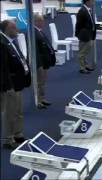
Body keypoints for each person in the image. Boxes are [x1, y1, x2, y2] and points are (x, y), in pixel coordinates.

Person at [0, 20, 31, 149]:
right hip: (10, 85)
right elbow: (3, 68)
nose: (17, 29)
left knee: (18, 110)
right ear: (7, 29)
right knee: (9, 112)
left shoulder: (11, 42)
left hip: (17, 83)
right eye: (14, 27)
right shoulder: (2, 43)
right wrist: (8, 87)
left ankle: (18, 133)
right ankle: (8, 138)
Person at [34, 14, 56, 109]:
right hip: (40, 63)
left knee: (42, 82)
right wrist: (39, 65)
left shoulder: (39, 32)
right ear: (36, 22)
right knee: (39, 83)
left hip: (45, 62)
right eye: (41, 21)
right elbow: (36, 52)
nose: (43, 23)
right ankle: (38, 100)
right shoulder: (34, 33)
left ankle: (42, 98)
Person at [75, 0, 96, 74]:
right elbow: (78, 24)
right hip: (84, 35)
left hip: (89, 34)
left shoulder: (88, 10)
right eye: (91, 1)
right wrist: (78, 34)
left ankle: (85, 65)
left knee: (86, 51)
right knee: (82, 52)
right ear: (87, 2)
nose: (93, 2)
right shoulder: (82, 11)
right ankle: (82, 68)